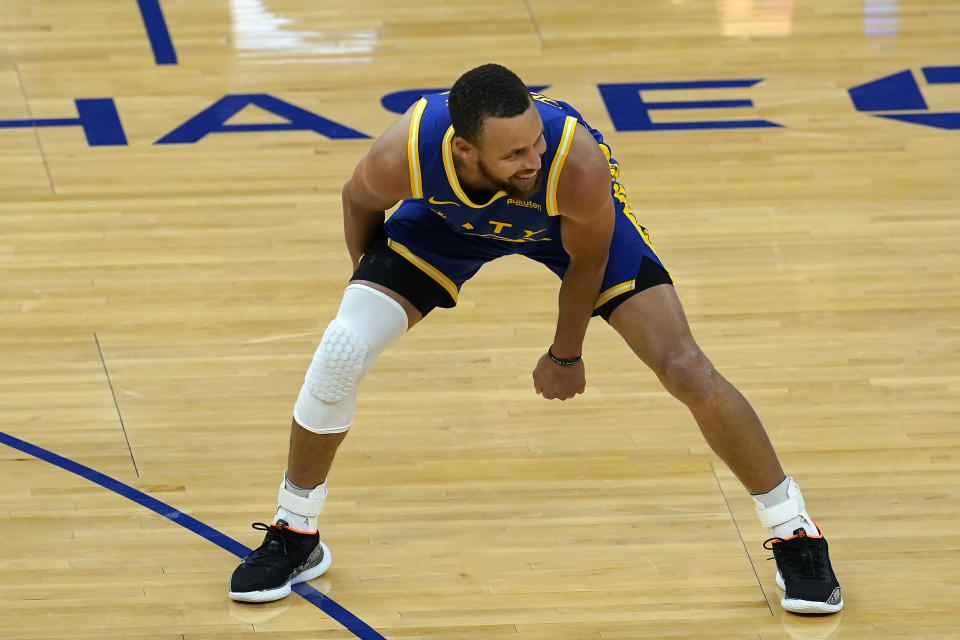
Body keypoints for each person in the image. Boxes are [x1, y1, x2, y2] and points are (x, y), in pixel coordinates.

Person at [228, 63, 843, 615]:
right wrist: (368, 286)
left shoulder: (573, 167)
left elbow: (587, 263)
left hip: (563, 229)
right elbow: (357, 198)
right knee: (341, 351)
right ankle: (296, 532)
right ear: (465, 149)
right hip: (448, 225)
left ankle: (796, 531)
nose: (533, 157)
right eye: (515, 153)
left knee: (684, 368)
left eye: (536, 141)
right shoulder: (406, 151)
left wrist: (565, 353)